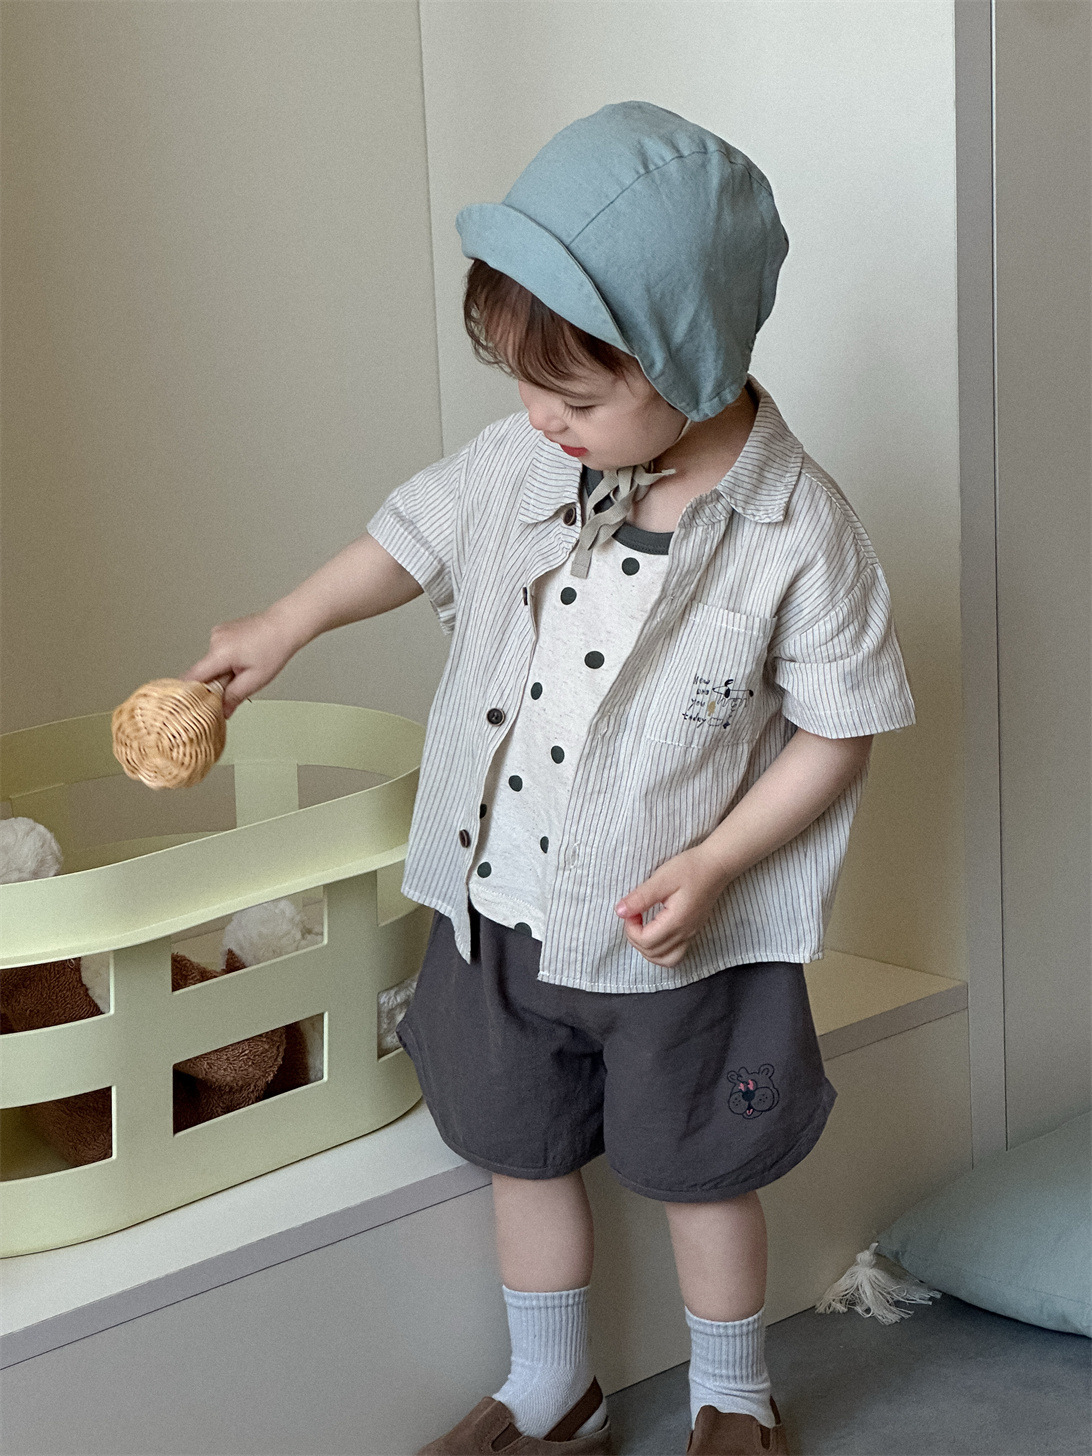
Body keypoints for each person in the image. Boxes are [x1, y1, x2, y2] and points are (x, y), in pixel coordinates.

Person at [186, 102, 915, 1456]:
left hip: (674, 939)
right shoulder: (528, 457)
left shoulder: (799, 531)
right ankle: (552, 1390)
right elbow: (412, 537)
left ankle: (733, 1398)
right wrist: (284, 623)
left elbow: (839, 729)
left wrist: (716, 865)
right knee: (518, 1153)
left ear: (691, 359)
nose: (539, 420)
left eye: (576, 399)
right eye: (527, 388)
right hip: (500, 911)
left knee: (702, 1173)